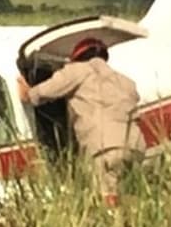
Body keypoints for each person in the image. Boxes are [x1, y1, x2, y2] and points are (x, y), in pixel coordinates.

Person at [18, 37, 144, 207]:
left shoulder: (76, 71)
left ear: (77, 58)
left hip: (104, 147)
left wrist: (28, 92)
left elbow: (43, 92)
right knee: (128, 197)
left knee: (105, 199)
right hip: (135, 146)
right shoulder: (126, 82)